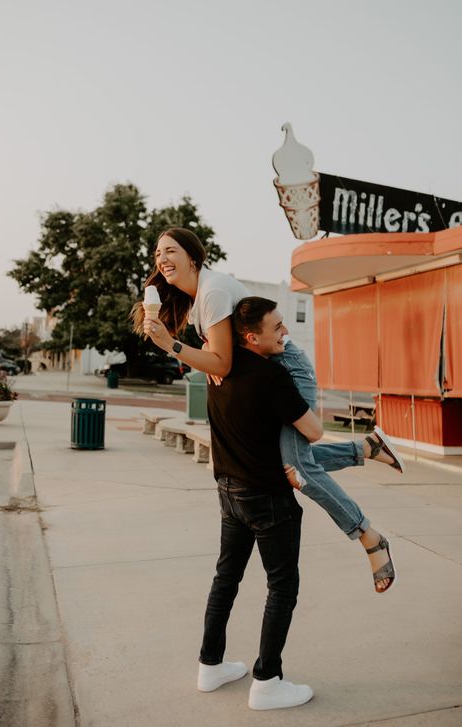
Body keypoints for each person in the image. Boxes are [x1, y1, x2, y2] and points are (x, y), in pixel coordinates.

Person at [131, 227, 401, 593]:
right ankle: (366, 448)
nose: (161, 259)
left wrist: (172, 346)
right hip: (270, 373)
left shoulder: (211, 291)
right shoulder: (202, 298)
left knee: (299, 470)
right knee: (286, 462)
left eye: (170, 250)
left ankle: (369, 535)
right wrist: (208, 359)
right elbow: (222, 355)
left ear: (193, 257)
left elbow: (224, 364)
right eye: (157, 253)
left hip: (286, 368)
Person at [198, 296, 323, 709]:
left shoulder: (217, 368)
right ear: (252, 337)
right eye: (278, 328)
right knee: (282, 586)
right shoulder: (271, 378)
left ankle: (210, 666)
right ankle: (267, 681)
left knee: (225, 579)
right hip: (268, 499)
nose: (285, 332)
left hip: (229, 494)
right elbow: (315, 431)